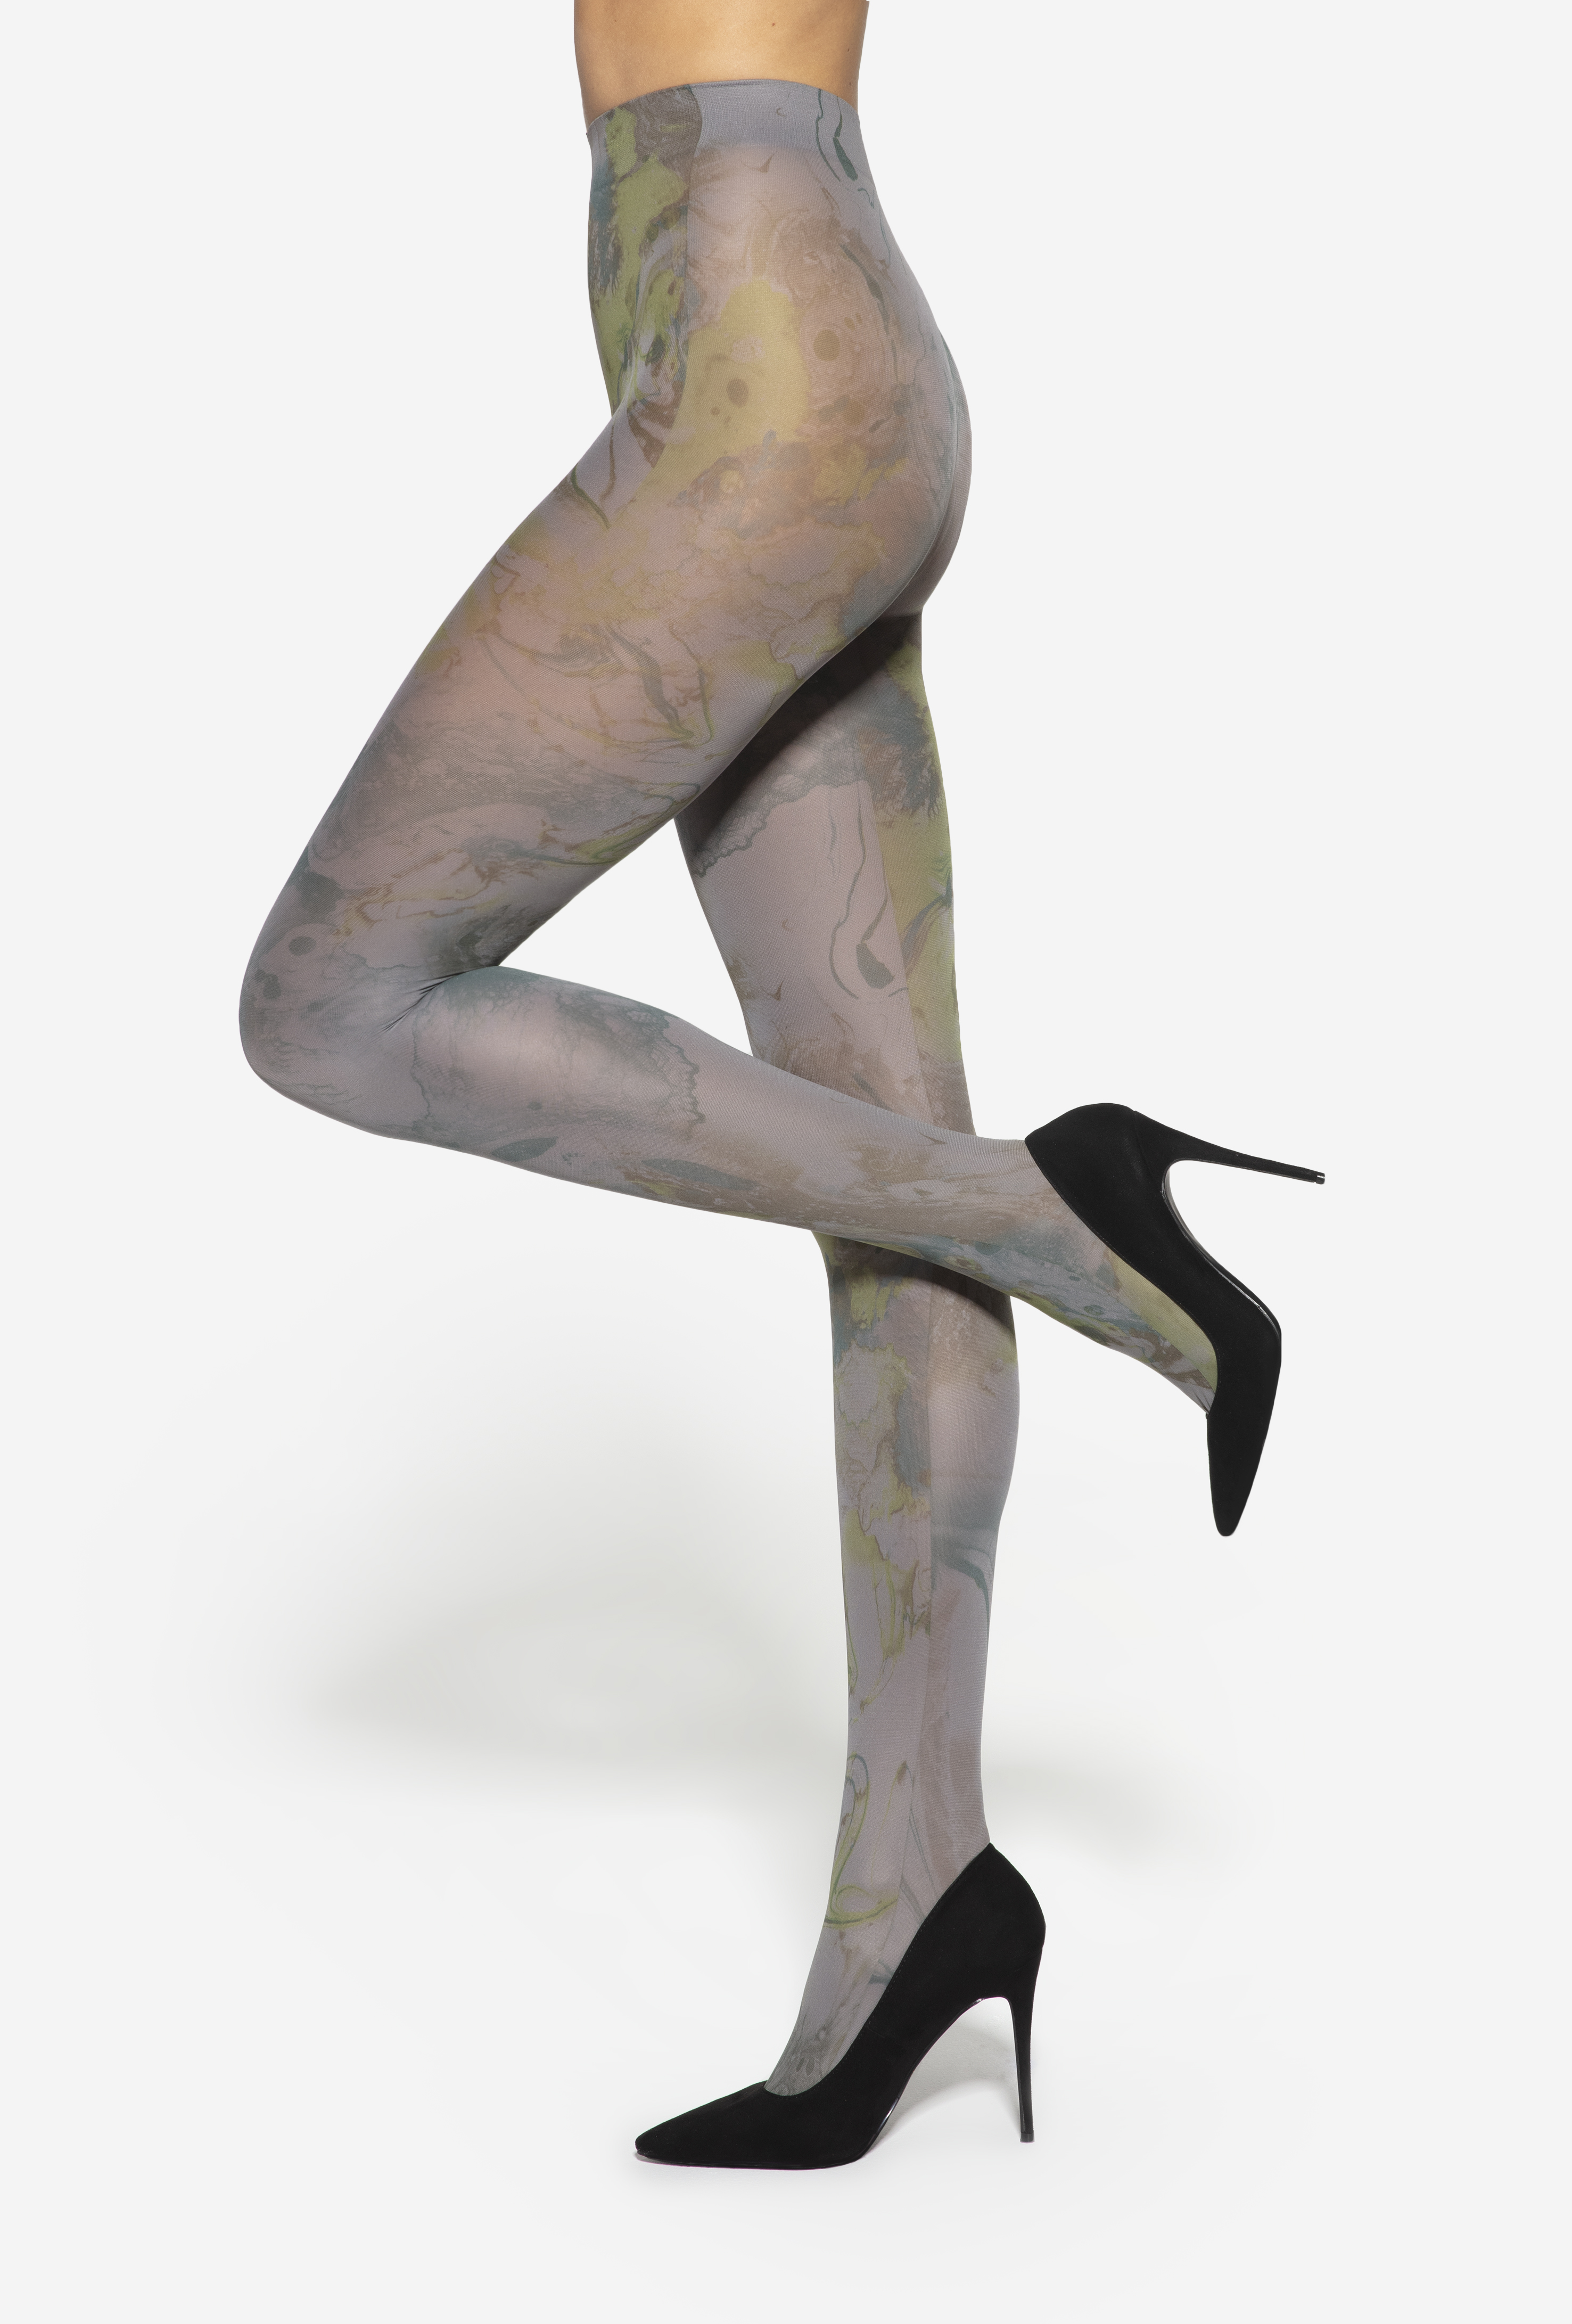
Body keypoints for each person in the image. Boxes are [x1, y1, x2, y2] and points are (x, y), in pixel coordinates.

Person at [240, 0, 1321, 2169]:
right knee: (880, 1163)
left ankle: (1057, 1211)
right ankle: (920, 1890)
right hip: (782, 360)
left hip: (761, 384)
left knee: (335, 1002)